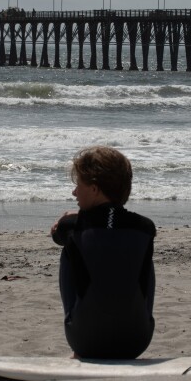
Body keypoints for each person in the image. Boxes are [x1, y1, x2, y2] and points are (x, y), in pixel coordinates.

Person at [50, 146, 156, 359]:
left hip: (84, 341)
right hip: (137, 341)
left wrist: (75, 218)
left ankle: (79, 340)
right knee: (136, 249)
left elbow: (57, 234)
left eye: (78, 185)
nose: (74, 192)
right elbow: (110, 227)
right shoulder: (146, 227)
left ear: (95, 189)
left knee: (70, 249)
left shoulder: (70, 226)